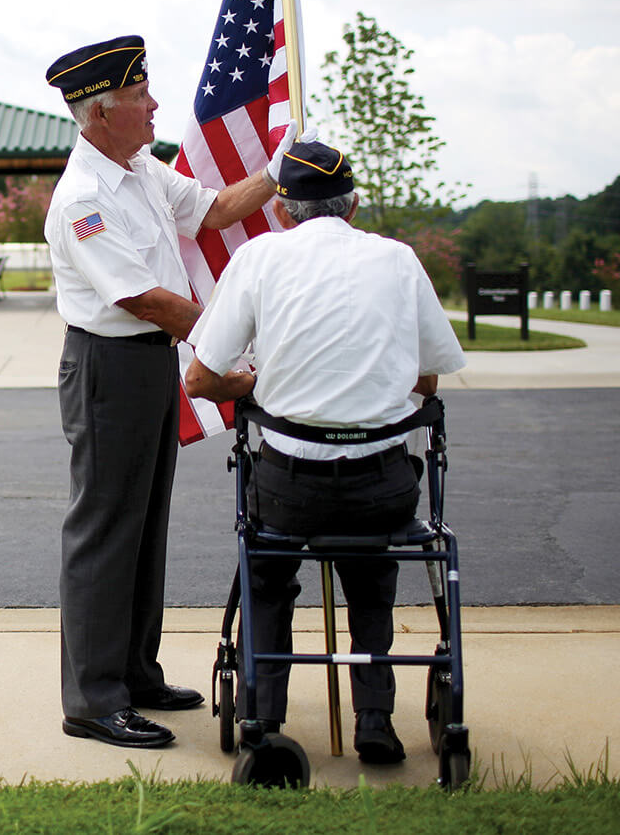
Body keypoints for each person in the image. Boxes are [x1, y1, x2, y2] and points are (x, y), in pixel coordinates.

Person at [44, 34, 308, 750]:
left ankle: (134, 672)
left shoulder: (141, 171)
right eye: (139, 96)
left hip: (148, 365)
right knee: (105, 529)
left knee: (144, 523)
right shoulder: (85, 198)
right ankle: (94, 698)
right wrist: (236, 339)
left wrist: (281, 170)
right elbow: (144, 298)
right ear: (102, 113)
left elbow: (216, 209)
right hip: (108, 367)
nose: (155, 104)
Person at [182, 138, 466, 763]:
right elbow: (427, 379)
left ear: (282, 210)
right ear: (353, 205)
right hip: (381, 484)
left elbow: (199, 380)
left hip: (291, 486)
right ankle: (375, 718)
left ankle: (264, 716)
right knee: (372, 572)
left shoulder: (259, 257)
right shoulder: (398, 260)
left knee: (267, 572)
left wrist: (255, 385)